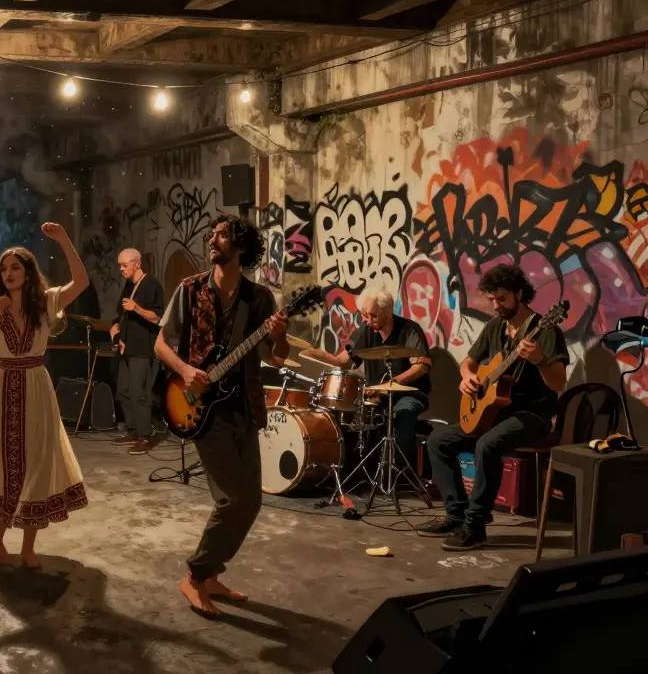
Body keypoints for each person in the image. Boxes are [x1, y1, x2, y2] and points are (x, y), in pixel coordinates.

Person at [153, 214, 289, 616]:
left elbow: (278, 357)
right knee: (233, 499)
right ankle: (194, 577)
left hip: (244, 408)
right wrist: (184, 370)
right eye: (212, 234)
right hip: (200, 409)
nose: (212, 240)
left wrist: (279, 332)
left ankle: (211, 573)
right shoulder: (190, 290)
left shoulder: (260, 299)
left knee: (251, 503)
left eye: (222, 236)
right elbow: (161, 343)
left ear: (241, 247)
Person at [0, 223, 90, 568]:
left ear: (28, 273)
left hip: (37, 384)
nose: (9, 272)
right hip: (5, 384)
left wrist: (63, 240)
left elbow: (82, 282)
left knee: (39, 461)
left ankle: (28, 546)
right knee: (6, 461)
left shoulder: (46, 302)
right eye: (5, 268)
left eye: (16, 267)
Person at [418, 264, 568, 551]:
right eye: (492, 300)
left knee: (487, 445)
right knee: (438, 440)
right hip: (495, 413)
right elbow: (468, 362)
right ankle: (456, 514)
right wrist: (467, 379)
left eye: (502, 298)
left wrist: (539, 361)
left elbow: (558, 383)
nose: (497, 305)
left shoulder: (545, 330)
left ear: (520, 294)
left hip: (532, 416)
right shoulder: (495, 327)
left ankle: (475, 526)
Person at [302, 286, 431, 468]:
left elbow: (421, 366)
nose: (368, 320)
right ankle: (357, 468)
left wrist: (391, 384)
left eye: (373, 315)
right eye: (365, 315)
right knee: (342, 410)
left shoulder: (410, 330)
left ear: (388, 311)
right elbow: (342, 362)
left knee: (404, 413)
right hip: (376, 396)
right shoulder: (366, 329)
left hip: (409, 395)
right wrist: (314, 353)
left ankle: (403, 473)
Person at [108, 249, 166, 455]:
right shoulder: (129, 285)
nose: (121, 269)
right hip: (127, 347)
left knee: (138, 392)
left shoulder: (151, 285)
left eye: (124, 265)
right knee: (123, 390)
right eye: (120, 265)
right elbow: (122, 314)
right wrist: (116, 330)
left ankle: (145, 435)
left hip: (143, 348)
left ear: (137, 264)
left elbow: (158, 317)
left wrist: (137, 308)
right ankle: (133, 429)